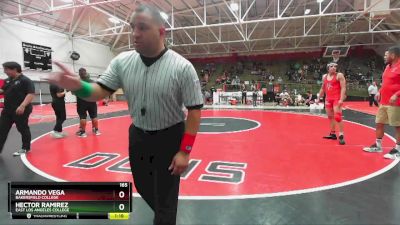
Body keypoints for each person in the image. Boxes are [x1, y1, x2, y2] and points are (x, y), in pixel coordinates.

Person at [47, 4, 203, 225]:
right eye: (132, 27)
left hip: (170, 137)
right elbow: (99, 91)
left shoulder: (182, 68)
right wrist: (78, 86)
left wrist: (185, 152)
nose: (135, 34)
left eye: (142, 28)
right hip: (139, 136)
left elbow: (195, 111)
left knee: (167, 199)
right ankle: (163, 215)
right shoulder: (122, 62)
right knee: (143, 186)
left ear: (161, 32)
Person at [363, 46, 400, 159]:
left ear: (393, 55)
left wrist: (397, 94)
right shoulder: (387, 67)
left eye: (386, 55)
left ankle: (398, 150)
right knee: (379, 123)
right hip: (384, 101)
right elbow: (385, 82)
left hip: (396, 102)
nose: (384, 57)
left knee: (397, 126)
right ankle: (378, 146)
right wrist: (379, 91)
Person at [0, 62, 35, 156]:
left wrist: (22, 106)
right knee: (2, 130)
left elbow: (31, 94)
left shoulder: (25, 80)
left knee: (22, 129)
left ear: (14, 69)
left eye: (6, 69)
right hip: (7, 110)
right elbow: (3, 90)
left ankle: (25, 147)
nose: (5, 71)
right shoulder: (7, 80)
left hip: (20, 110)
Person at [317, 62, 347, 145]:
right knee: (330, 117)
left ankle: (341, 135)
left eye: (335, 66)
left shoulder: (339, 75)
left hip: (336, 99)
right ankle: (332, 133)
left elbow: (343, 87)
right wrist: (318, 98)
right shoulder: (324, 77)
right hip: (328, 99)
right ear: (328, 68)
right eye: (331, 66)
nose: (334, 67)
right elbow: (323, 88)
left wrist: (341, 99)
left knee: (337, 116)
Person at [75, 68, 100, 137]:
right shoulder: (92, 82)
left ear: (79, 74)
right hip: (92, 101)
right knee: (94, 116)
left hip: (81, 102)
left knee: (83, 117)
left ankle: (83, 132)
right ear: (86, 73)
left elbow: (72, 92)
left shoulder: (77, 83)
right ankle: (96, 130)